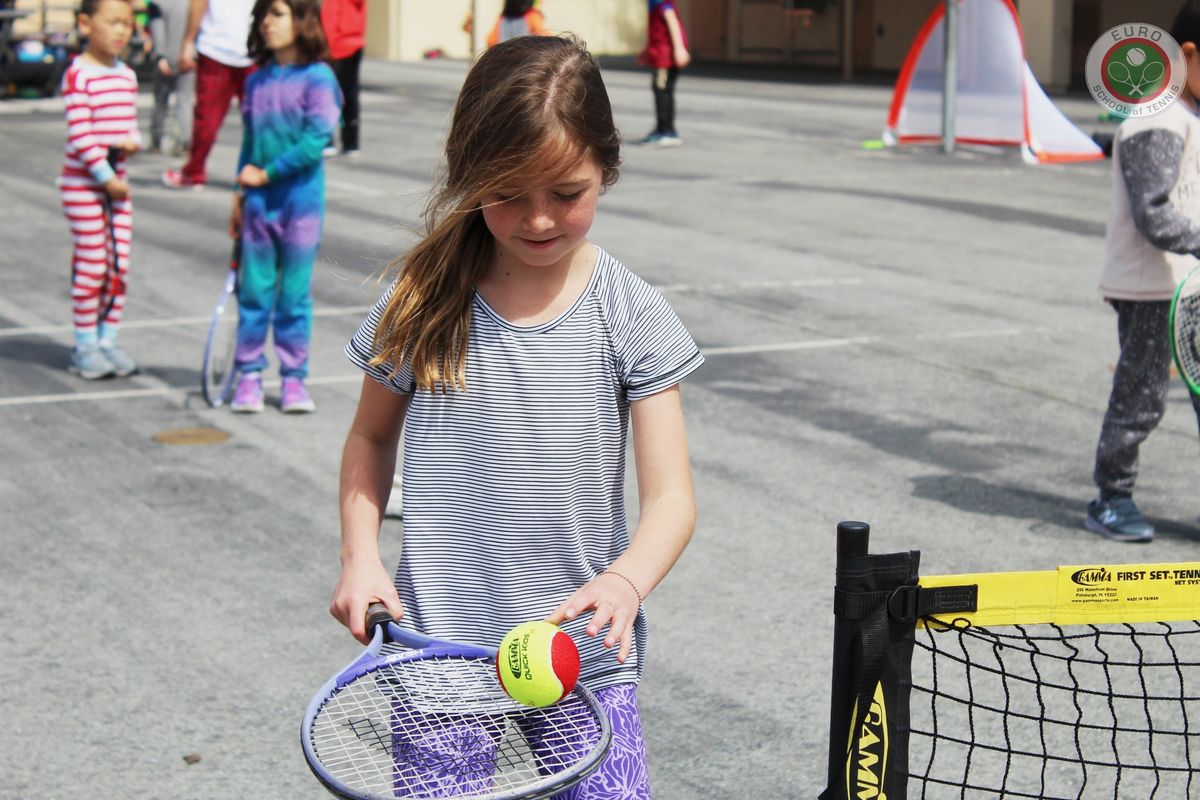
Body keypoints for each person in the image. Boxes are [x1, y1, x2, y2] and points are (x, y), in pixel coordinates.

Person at [332, 36, 703, 797]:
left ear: (607, 168)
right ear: (470, 178)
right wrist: (359, 556)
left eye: (566, 192)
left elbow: (672, 500)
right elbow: (370, 439)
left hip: (582, 655)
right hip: (440, 655)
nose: (538, 219)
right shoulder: (422, 299)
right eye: (507, 193)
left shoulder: (631, 313)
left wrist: (628, 583)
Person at [1085, 0, 1200, 542]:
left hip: (1190, 283)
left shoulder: (1191, 113)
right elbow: (1153, 212)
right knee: (1142, 394)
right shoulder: (1157, 118)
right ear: (1187, 55)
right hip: (1152, 287)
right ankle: (1112, 496)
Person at [226, 0, 342, 413]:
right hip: (257, 204)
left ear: (302, 20)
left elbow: (316, 141)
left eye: (276, 13)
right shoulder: (256, 82)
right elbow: (248, 143)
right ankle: (250, 374)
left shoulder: (320, 78)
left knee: (293, 294)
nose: (266, 23)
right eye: (263, 16)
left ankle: (294, 379)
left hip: (301, 205)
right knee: (254, 292)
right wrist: (240, 194)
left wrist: (268, 173)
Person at [60, 0, 142, 379]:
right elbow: (80, 136)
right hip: (85, 185)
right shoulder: (78, 75)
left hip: (117, 186)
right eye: (112, 22)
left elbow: (130, 125)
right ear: (85, 23)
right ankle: (85, 343)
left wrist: (132, 142)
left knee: (118, 265)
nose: (121, 31)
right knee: (93, 264)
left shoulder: (126, 76)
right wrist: (105, 176)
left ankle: (108, 338)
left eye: (127, 23)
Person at [161, 0, 255, 189]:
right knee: (209, 119)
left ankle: (252, 172)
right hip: (217, 48)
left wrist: (188, 42)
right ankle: (195, 171)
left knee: (257, 120)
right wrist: (188, 42)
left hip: (249, 49)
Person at [637, 0, 690, 147]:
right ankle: (665, 128)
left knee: (662, 90)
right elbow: (656, 30)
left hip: (665, 58)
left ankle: (666, 131)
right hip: (661, 55)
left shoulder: (659, 1)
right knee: (662, 90)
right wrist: (646, 50)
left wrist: (679, 48)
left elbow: (671, 19)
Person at [146, 0, 195, 155]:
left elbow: (157, 29)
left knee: (161, 102)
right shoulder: (194, 4)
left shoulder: (159, 3)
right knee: (184, 101)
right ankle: (186, 140)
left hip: (167, 57)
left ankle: (156, 139)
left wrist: (160, 56)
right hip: (189, 58)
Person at [319, 0, 364, 155]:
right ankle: (350, 142)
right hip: (353, 42)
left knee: (328, 93)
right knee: (349, 92)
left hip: (337, 45)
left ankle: (328, 140)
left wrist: (325, 45)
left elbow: (330, 17)